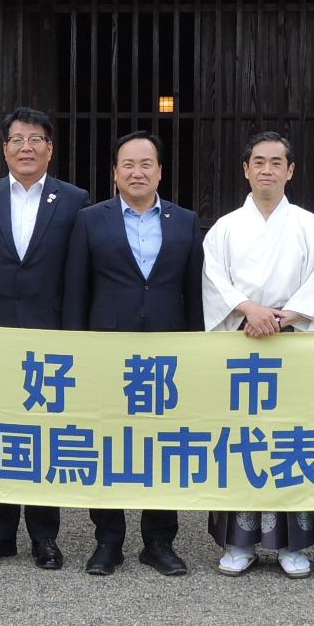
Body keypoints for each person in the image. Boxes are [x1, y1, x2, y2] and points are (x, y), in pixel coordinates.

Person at [0, 105, 89, 570]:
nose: (25, 147)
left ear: (50, 149)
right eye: (16, 139)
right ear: (4, 148)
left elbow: (78, 275)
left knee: (45, 436)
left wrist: (73, 337)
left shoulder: (74, 200)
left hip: (50, 336)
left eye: (35, 139)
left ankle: (45, 537)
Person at [61, 130, 204, 577]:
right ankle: (109, 542)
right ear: (115, 173)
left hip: (167, 353)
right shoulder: (90, 220)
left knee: (163, 449)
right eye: (128, 164)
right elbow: (75, 290)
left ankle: (159, 542)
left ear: (160, 171)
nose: (137, 172)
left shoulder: (185, 221)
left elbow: (194, 292)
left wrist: (197, 348)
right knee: (107, 446)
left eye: (146, 164)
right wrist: (75, 348)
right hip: (107, 351)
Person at [201, 130, 314, 577]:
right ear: (245, 170)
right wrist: (249, 312)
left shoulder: (311, 227)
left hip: (292, 344)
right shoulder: (225, 228)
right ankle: (238, 542)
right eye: (258, 161)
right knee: (242, 440)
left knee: (289, 440)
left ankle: (291, 545)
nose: (267, 169)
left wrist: (281, 318)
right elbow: (215, 282)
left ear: (290, 170)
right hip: (241, 345)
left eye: (276, 162)